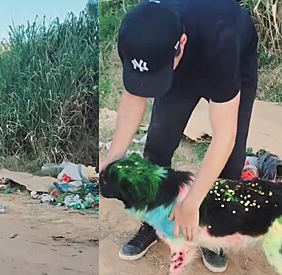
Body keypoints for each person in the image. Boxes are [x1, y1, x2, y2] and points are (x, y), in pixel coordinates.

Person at [99, 0, 258, 273]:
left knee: (231, 159)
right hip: (174, 59)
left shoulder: (221, 42)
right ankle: (153, 223)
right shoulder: (136, 34)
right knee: (158, 143)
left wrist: (192, 202)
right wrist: (114, 155)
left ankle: (212, 230)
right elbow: (134, 96)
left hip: (228, 57)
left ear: (181, 43)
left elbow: (224, 135)